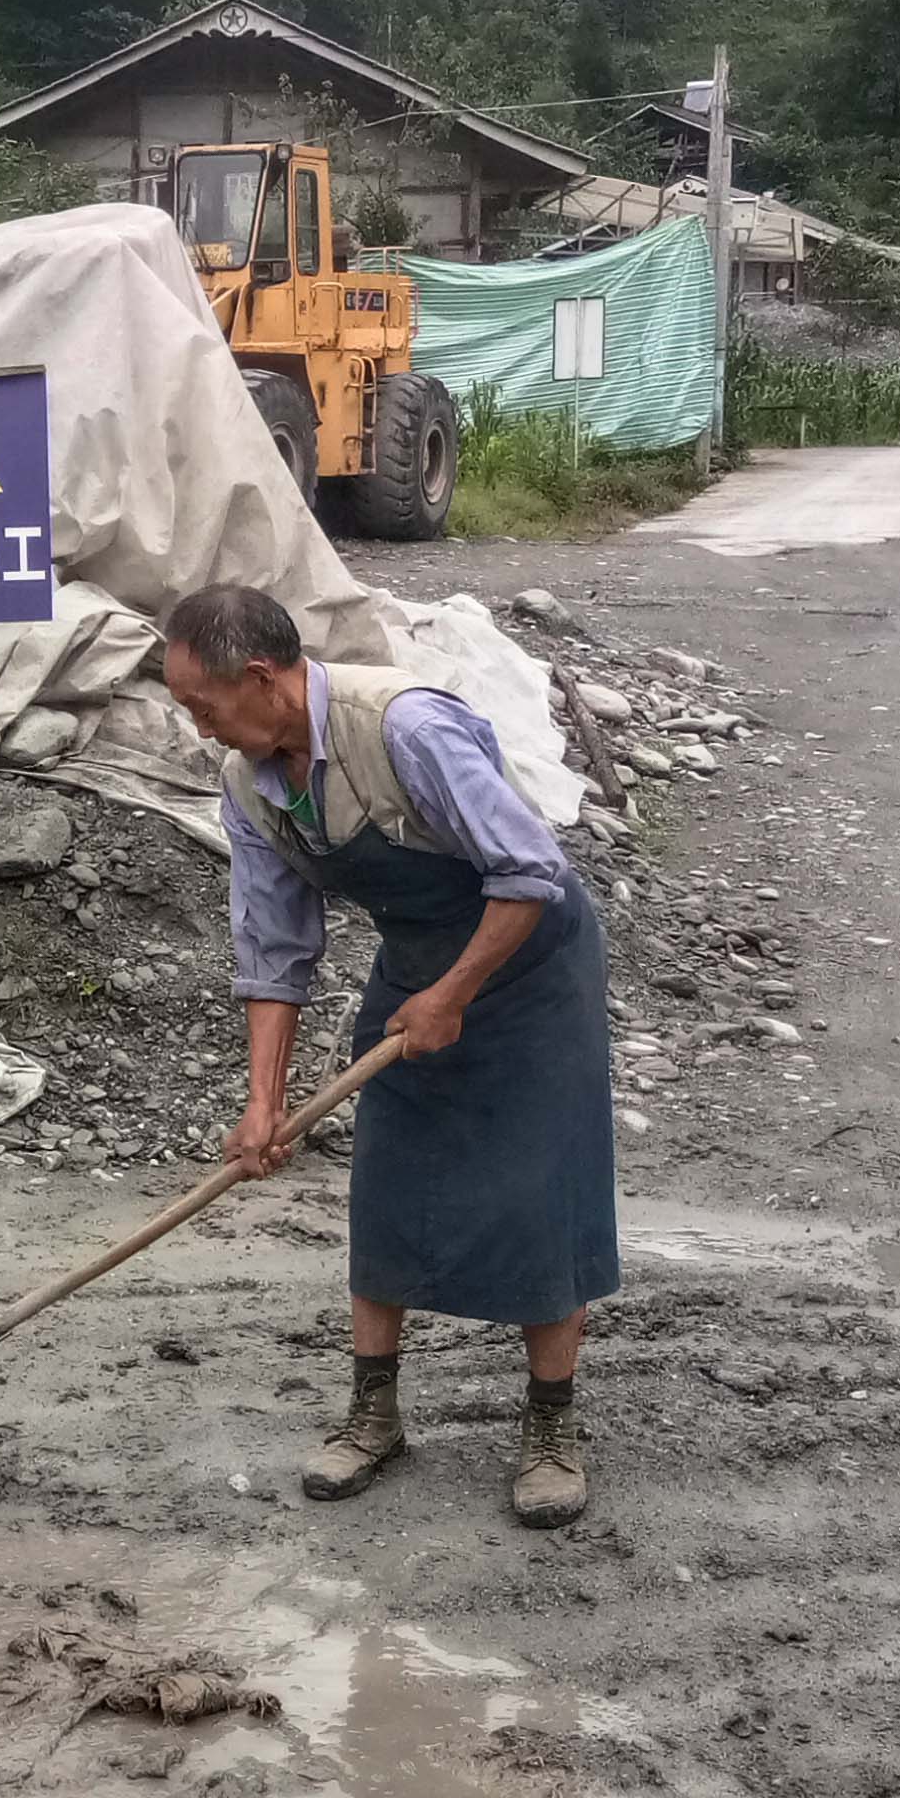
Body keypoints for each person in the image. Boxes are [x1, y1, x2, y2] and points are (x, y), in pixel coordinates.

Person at [159, 584, 618, 1527]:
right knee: (390, 1183)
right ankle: (374, 1414)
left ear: (259, 678)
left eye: (203, 708)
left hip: (528, 964)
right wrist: (263, 1102)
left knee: (541, 1193)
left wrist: (457, 994)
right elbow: (276, 951)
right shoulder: (250, 785)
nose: (200, 729)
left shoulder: (404, 728)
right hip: (418, 969)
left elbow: (531, 867)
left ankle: (550, 1429)